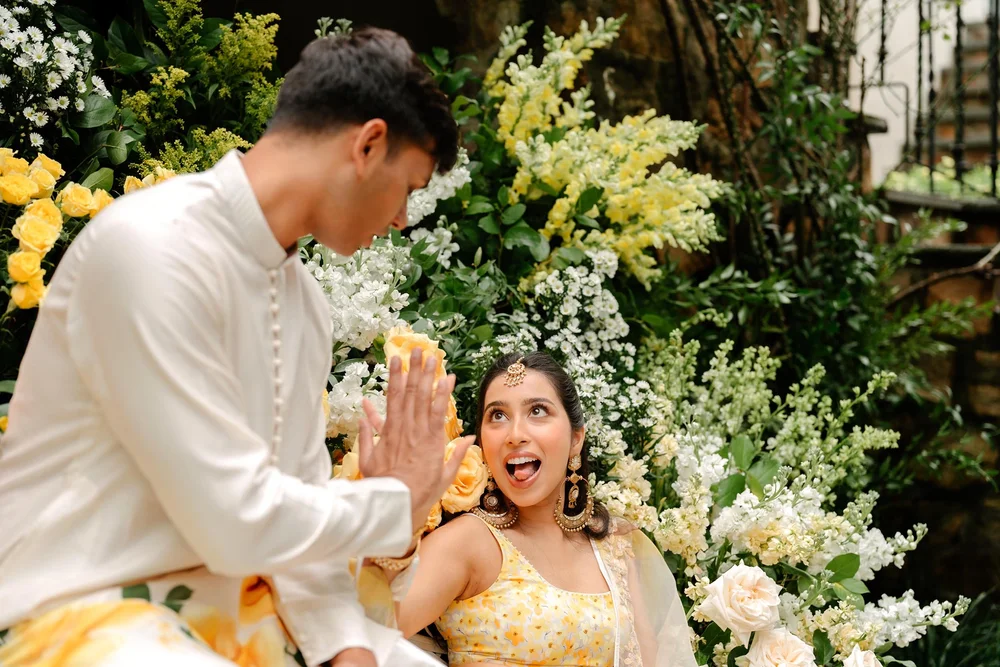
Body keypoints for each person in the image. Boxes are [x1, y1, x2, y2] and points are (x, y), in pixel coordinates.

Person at [0, 27, 471, 667]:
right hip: (74, 610)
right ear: (367, 144)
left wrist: (347, 645)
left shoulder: (305, 305)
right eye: (408, 189)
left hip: (233, 616)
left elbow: (298, 526)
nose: (400, 220)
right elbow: (232, 519)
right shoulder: (152, 248)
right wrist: (393, 501)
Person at [365, 352, 698, 667]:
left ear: (576, 438)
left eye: (537, 411)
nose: (515, 435)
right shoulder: (469, 542)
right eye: (497, 416)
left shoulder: (613, 546)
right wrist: (399, 516)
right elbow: (364, 634)